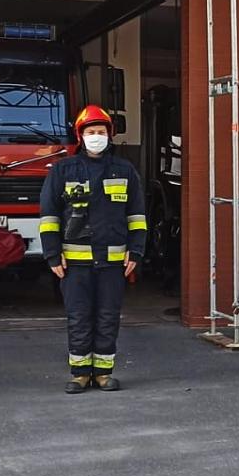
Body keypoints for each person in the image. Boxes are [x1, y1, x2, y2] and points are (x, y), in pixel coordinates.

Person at [40, 105, 147, 394]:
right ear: (80, 136)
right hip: (74, 263)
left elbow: (136, 215)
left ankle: (103, 373)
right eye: (91, 132)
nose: (96, 136)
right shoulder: (63, 170)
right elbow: (49, 215)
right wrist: (52, 253)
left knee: (108, 316)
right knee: (78, 317)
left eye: (101, 132)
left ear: (109, 136)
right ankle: (79, 374)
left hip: (113, 262)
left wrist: (135, 252)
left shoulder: (124, 170)